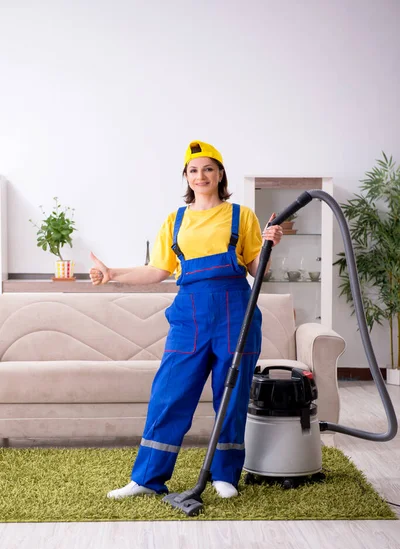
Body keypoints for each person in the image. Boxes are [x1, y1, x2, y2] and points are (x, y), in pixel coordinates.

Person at [90, 140, 283, 499]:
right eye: (193, 170)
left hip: (235, 313)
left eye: (208, 169)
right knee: (168, 395)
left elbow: (258, 272)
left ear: (220, 173)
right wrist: (111, 272)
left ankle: (225, 476)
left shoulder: (241, 216)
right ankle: (147, 479)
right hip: (189, 318)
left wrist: (270, 244)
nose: (201, 176)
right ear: (186, 177)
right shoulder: (176, 220)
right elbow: (157, 270)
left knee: (231, 396)